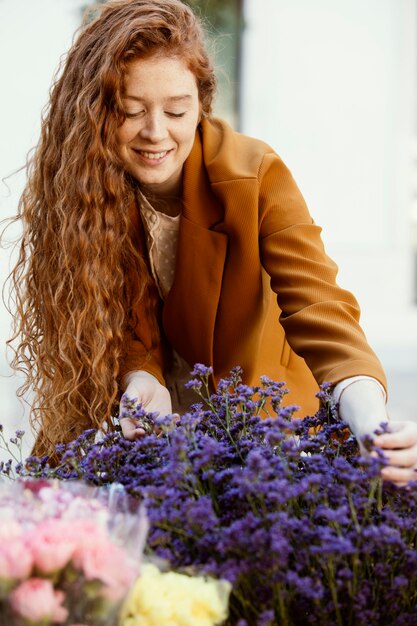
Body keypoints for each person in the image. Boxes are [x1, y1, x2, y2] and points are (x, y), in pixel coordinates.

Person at [7, 0, 417, 485]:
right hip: (157, 438)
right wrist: (141, 381)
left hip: (267, 422)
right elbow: (120, 327)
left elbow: (320, 308)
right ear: (96, 114)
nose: (156, 133)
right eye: (131, 111)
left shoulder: (254, 174)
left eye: (177, 110)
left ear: (201, 104)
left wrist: (371, 418)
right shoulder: (86, 191)